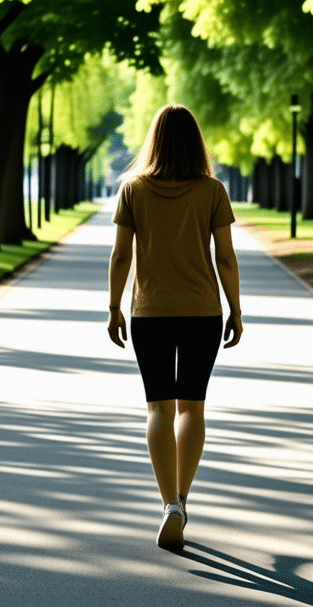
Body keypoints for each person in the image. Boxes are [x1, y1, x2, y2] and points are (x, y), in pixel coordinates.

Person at [108, 104, 242, 552]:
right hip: (204, 311)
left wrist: (113, 307)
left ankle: (168, 505)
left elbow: (122, 256)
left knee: (158, 410)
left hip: (150, 313)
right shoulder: (213, 191)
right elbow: (225, 256)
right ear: (195, 142)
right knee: (193, 408)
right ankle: (183, 500)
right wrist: (236, 309)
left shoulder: (133, 191)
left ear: (155, 140)